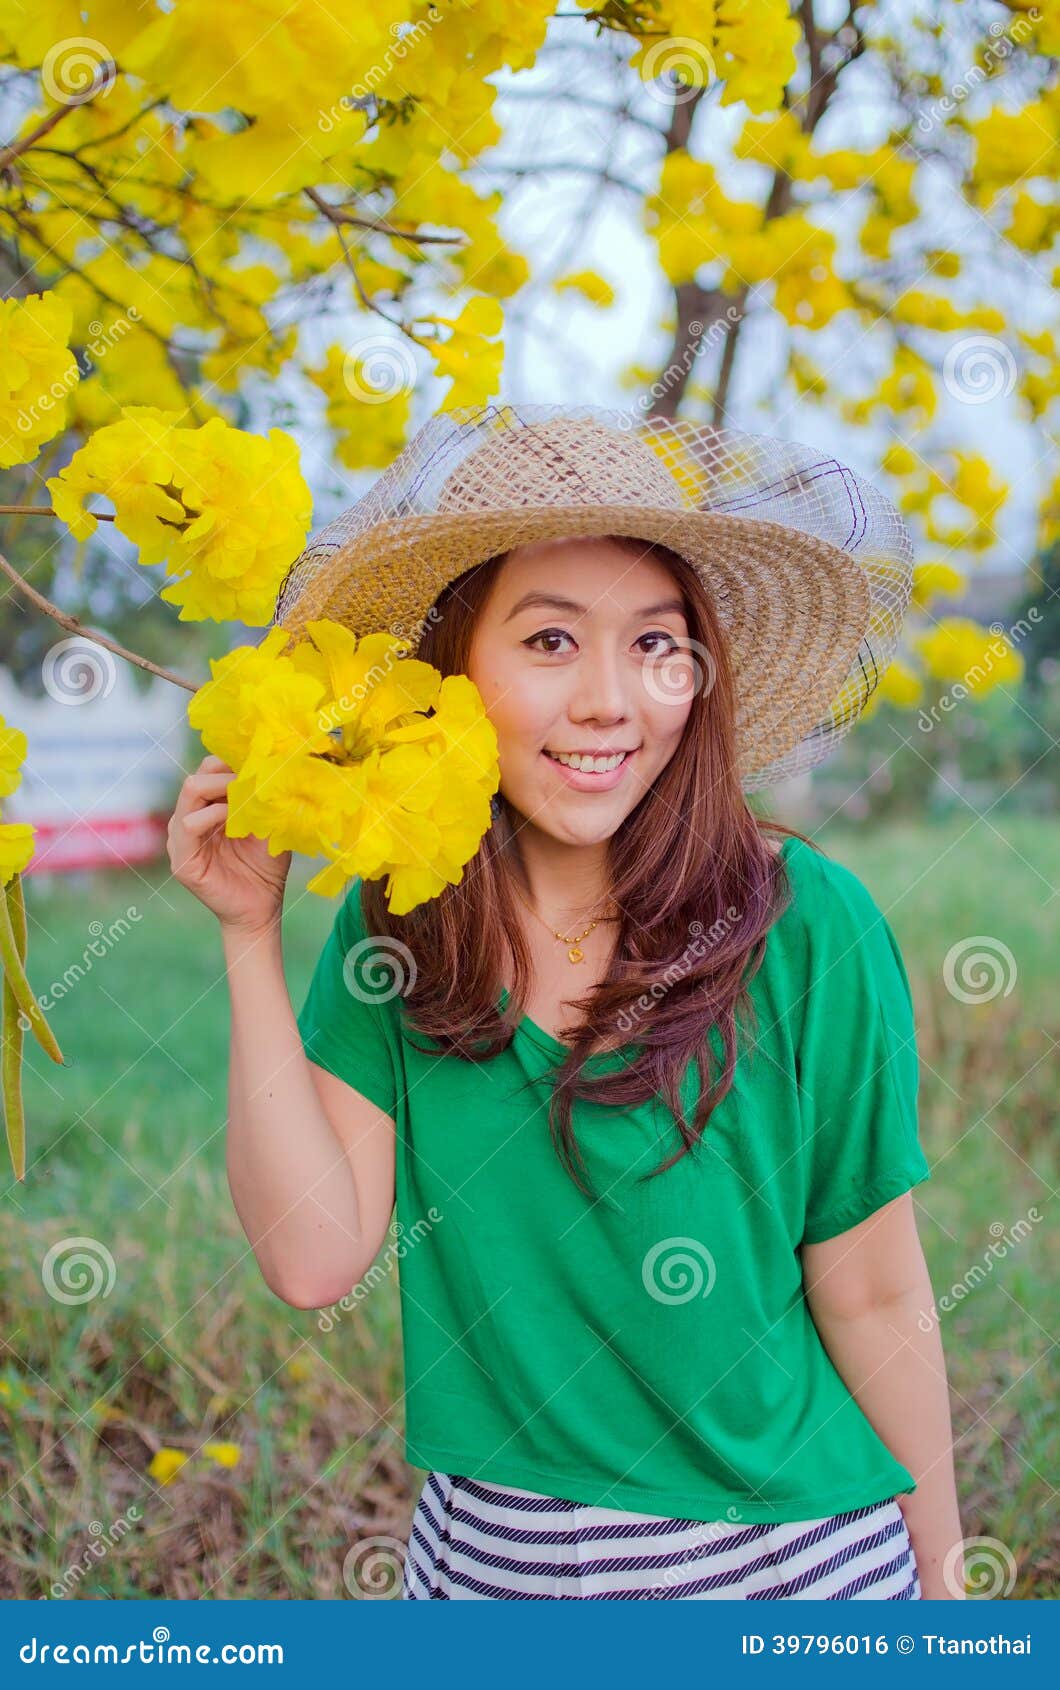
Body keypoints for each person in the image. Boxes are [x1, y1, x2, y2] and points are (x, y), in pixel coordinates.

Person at [169, 406, 965, 1600]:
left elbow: (876, 1289)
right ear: (449, 677)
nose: (611, 702)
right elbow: (310, 1258)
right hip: (486, 1577)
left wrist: (945, 1585)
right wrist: (246, 939)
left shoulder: (807, 925)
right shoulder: (400, 931)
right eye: (549, 641)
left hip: (790, 1574)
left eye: (656, 645)